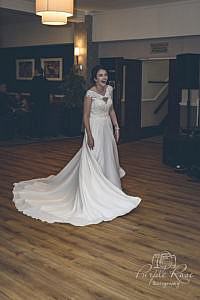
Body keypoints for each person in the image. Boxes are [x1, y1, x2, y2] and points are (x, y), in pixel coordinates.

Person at [12, 65, 141, 226]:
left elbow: (112, 109)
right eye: (100, 75)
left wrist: (116, 126)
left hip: (107, 128)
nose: (104, 77)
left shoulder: (109, 89)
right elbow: (86, 116)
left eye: (105, 74)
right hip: (94, 128)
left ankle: (111, 189)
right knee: (94, 158)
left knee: (108, 158)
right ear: (95, 78)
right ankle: (93, 193)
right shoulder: (90, 94)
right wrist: (89, 135)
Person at [31, 66, 49, 137]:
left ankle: (35, 134)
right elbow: (47, 92)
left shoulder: (34, 80)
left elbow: (32, 91)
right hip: (44, 102)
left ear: (36, 71)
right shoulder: (45, 80)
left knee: (36, 118)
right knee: (43, 118)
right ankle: (42, 134)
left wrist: (31, 100)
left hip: (36, 102)